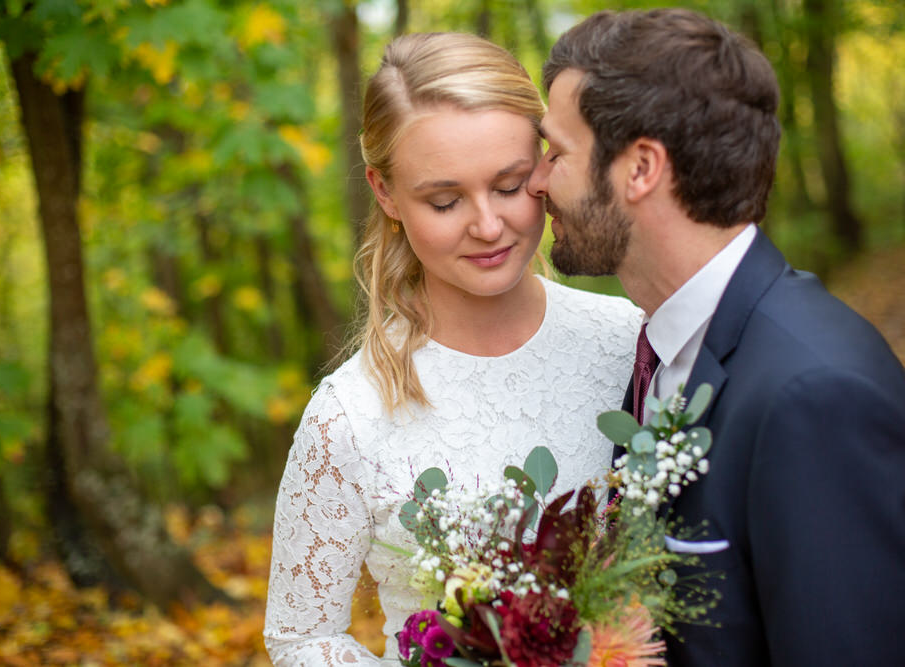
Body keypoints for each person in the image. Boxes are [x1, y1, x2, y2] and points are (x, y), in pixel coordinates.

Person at [527, 8, 905, 666]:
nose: (535, 182)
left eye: (555, 152)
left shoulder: (815, 396)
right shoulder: (662, 353)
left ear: (641, 167)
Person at [263, 32, 643, 666]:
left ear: (545, 165)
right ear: (384, 192)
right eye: (444, 200)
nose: (488, 226)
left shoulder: (629, 340)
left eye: (510, 184)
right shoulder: (348, 415)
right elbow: (302, 636)